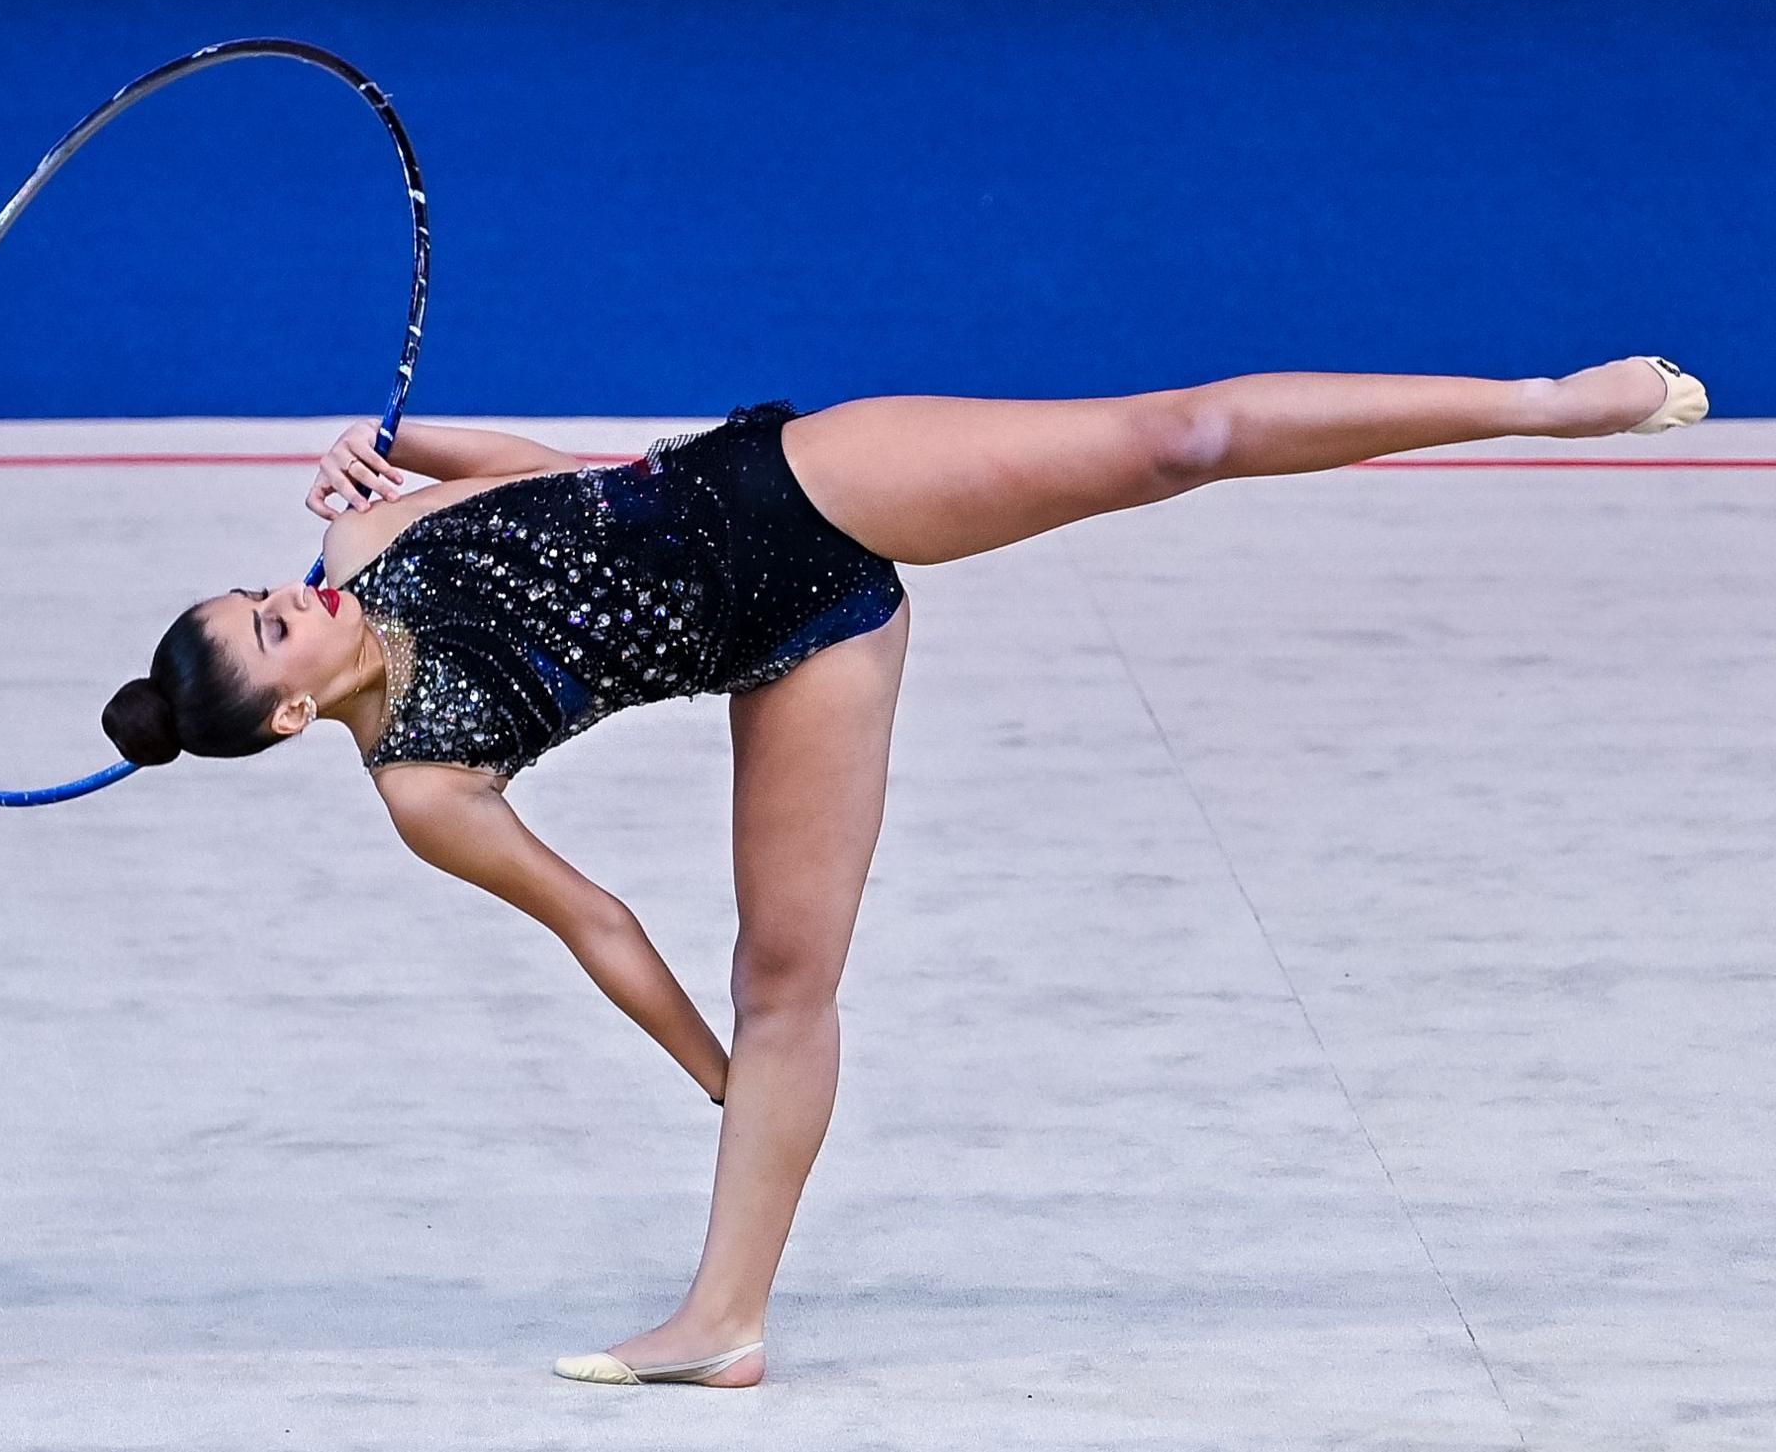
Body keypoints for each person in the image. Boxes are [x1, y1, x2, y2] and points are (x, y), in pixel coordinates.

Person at [102, 355, 1706, 1387]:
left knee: (1177, 439)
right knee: (785, 982)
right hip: (799, 647)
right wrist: (718, 1071)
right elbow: (596, 917)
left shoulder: (370, 545)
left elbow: (566, 486)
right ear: (293, 711)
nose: (287, 592)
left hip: (795, 480)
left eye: (261, 588)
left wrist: (393, 431)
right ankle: (722, 1320)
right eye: (266, 629)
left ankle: (1545, 403)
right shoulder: (425, 781)